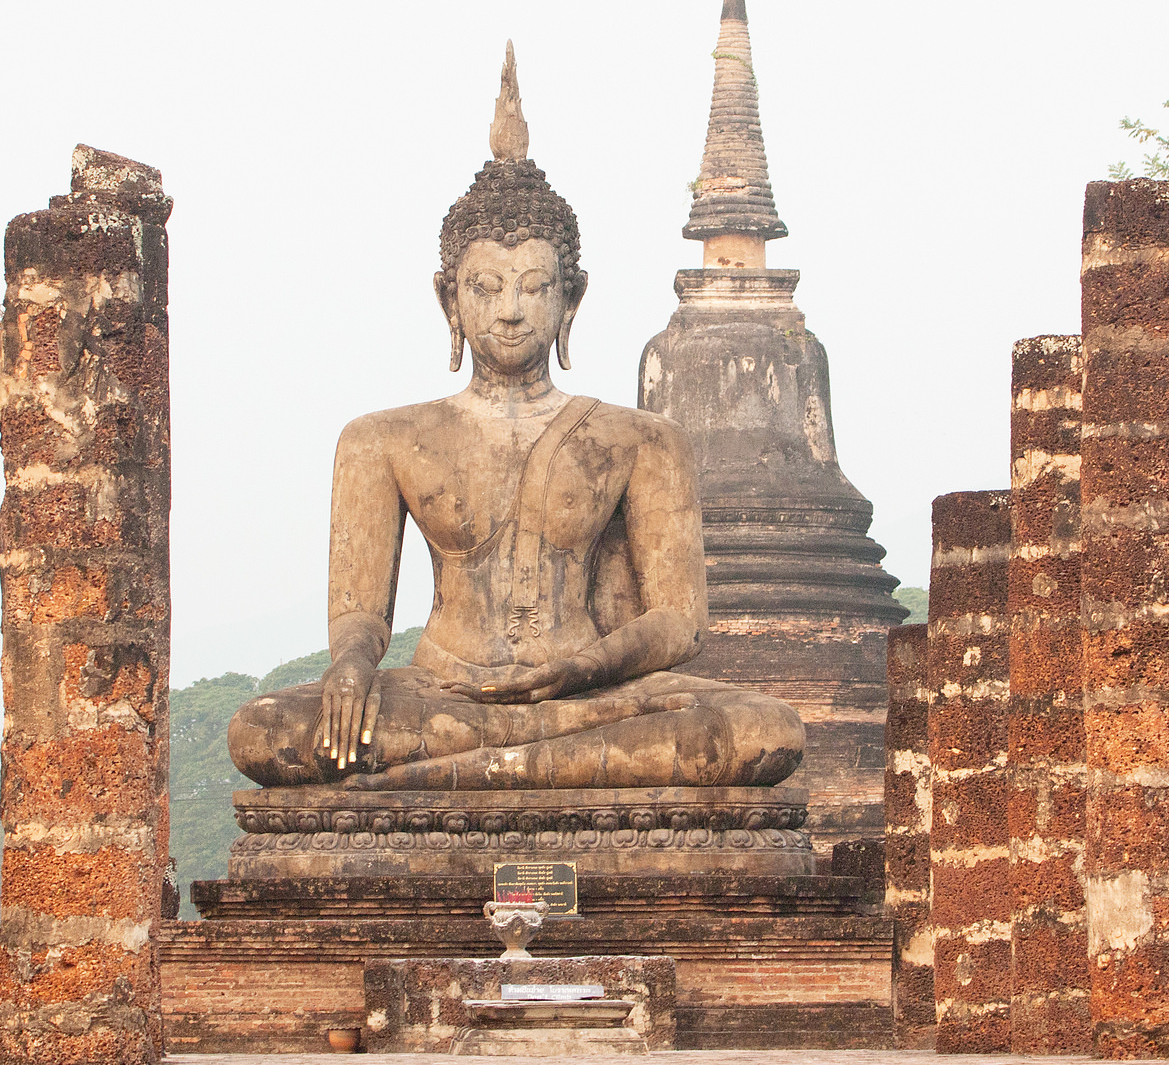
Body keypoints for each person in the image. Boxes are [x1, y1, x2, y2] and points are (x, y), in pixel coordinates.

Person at [228, 46, 803, 791]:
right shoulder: (381, 440)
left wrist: (584, 667)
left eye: (534, 286)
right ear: (448, 299)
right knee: (265, 732)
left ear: (573, 298)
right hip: (442, 694)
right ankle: (516, 768)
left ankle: (466, 776)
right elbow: (362, 618)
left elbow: (680, 624)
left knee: (764, 730)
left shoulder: (641, 441)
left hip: (593, 694)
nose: (508, 310)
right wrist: (348, 668)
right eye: (486, 286)